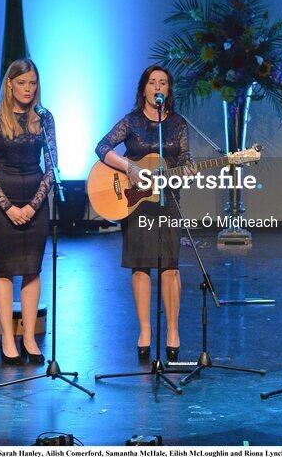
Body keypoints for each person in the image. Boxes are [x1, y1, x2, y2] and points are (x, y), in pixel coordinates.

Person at [95, 65, 192, 362]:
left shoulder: (177, 124)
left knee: (170, 266)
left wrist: (187, 171)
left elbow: (187, 159)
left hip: (167, 200)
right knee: (141, 266)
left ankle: (172, 330)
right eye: (153, 82)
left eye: (163, 82)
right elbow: (102, 148)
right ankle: (145, 330)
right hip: (136, 201)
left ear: (169, 90)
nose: (158, 87)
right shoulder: (132, 121)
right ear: (144, 89)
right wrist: (130, 168)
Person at [0, 58, 56, 366]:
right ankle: (8, 339)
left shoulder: (44, 117)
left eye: (33, 83)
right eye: (22, 83)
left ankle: (29, 339)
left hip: (35, 199)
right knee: (5, 270)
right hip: (3, 201)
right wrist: (10, 208)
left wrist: (33, 206)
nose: (28, 89)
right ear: (9, 84)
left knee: (32, 269)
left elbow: (52, 168)